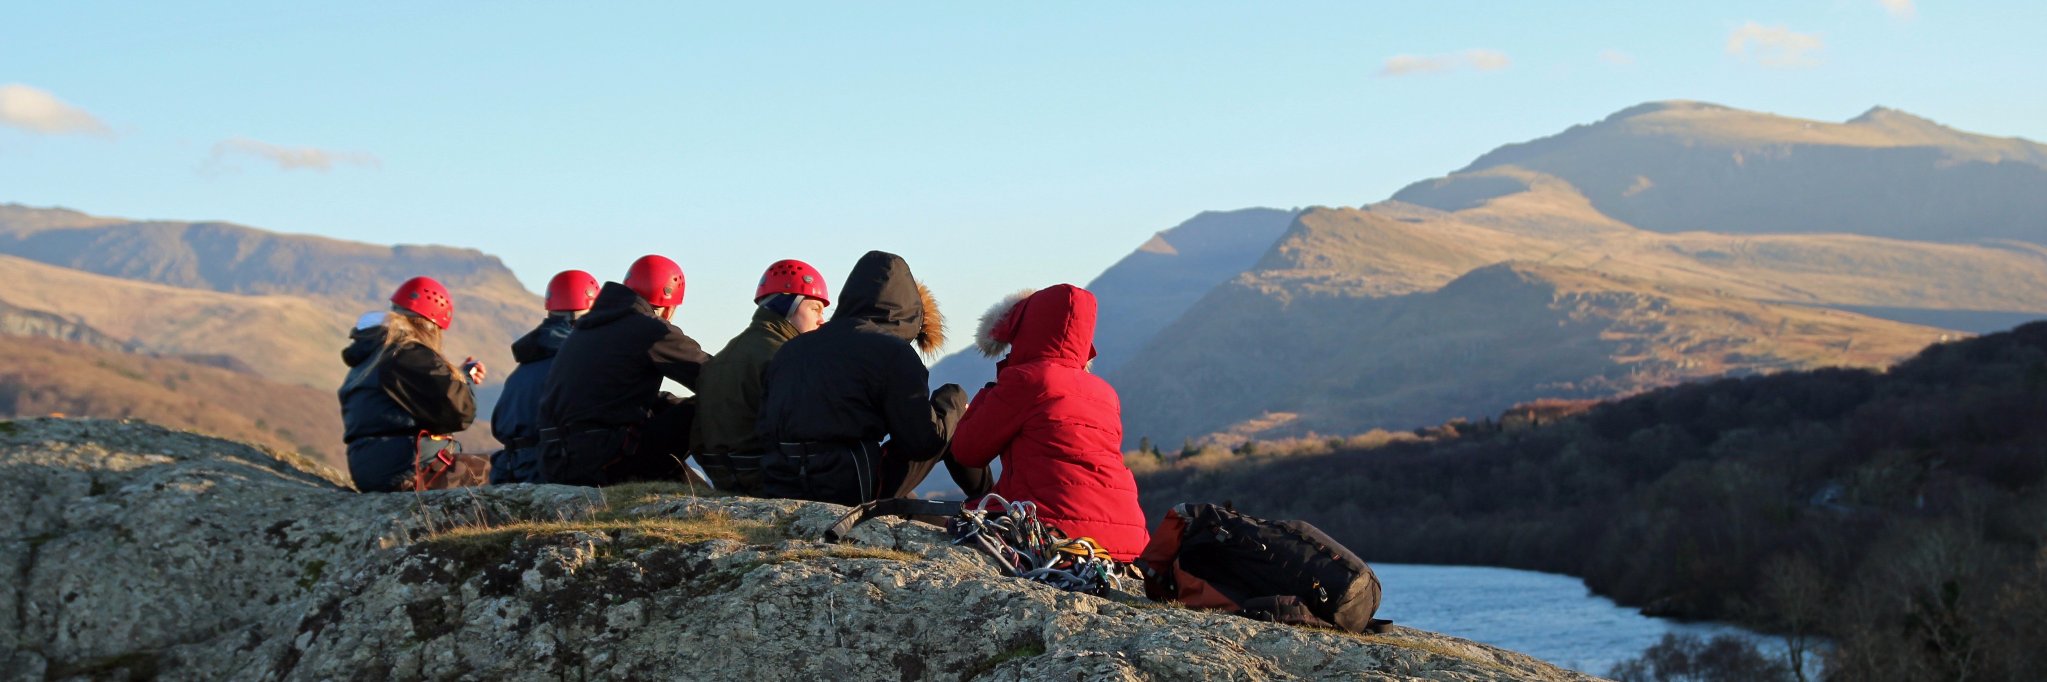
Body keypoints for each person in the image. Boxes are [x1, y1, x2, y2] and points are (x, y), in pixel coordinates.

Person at [755, 250, 987, 505]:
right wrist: (954, 404)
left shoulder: (792, 349)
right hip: (849, 488)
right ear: (909, 309)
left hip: (780, 484)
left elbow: (765, 428)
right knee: (952, 409)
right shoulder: (892, 352)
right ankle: (992, 501)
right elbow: (923, 443)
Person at [951, 284, 1149, 560]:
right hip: (1125, 543)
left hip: (1052, 536)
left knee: (946, 520)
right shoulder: (1105, 393)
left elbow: (967, 450)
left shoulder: (1028, 379)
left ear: (1027, 327)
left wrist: (989, 393)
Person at [537, 255, 712, 486]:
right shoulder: (648, 329)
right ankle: (738, 481)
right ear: (668, 307)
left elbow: (613, 397)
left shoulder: (588, 329)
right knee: (706, 405)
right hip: (605, 460)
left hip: (557, 463)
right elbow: (717, 377)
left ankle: (687, 486)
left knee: (669, 408)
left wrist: (670, 403)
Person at [688, 259, 831, 495]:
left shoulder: (720, 359)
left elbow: (699, 438)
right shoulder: (786, 359)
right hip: (773, 483)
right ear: (787, 305)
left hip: (726, 483)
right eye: (815, 308)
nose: (821, 319)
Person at [339, 276, 486, 492]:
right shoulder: (407, 353)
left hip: (373, 466)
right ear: (429, 326)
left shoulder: (375, 353)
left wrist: (457, 375)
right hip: (405, 468)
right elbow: (460, 412)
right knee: (498, 473)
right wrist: (465, 380)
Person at [488, 269, 598, 484]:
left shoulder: (524, 366)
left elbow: (501, 422)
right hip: (546, 468)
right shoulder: (577, 363)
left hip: (508, 469)